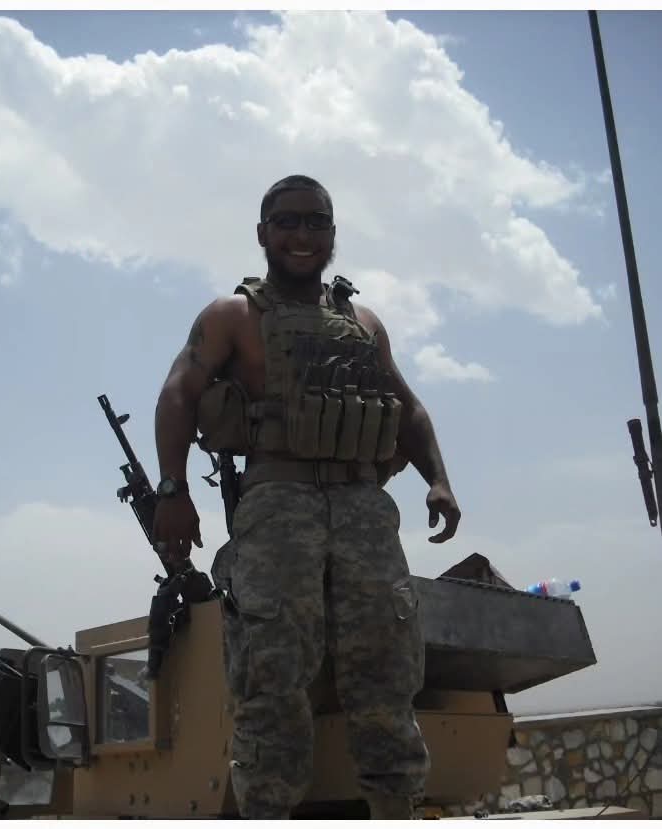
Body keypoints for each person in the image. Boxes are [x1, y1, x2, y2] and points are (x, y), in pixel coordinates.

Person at [152, 174, 460, 819]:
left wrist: (438, 478)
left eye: (316, 222)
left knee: (386, 668)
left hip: (363, 508)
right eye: (287, 221)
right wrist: (172, 489)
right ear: (263, 233)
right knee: (271, 672)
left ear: (332, 234)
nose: (302, 234)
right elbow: (178, 393)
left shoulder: (361, 321)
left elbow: (406, 406)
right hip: (277, 502)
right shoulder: (232, 317)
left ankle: (396, 811)